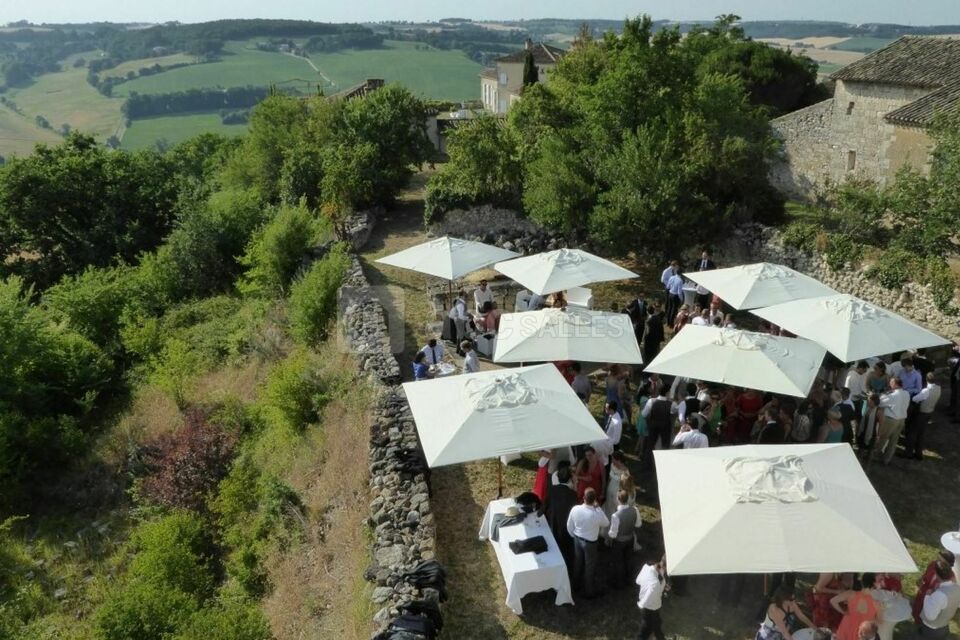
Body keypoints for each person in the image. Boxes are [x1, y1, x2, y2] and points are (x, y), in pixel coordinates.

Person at [566, 488, 608, 597]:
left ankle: (575, 585)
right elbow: (606, 523)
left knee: (578, 562)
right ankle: (589, 591)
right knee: (589, 567)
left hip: (577, 539)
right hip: (590, 543)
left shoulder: (575, 509)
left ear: (584, 498)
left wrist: (574, 536)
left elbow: (569, 525)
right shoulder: (597, 514)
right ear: (595, 500)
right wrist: (598, 508)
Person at [606, 489, 642, 588]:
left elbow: (613, 534)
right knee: (628, 559)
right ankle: (629, 579)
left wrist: (608, 534)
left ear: (618, 499)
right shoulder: (635, 510)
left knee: (619, 562)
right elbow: (638, 524)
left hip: (619, 542)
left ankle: (620, 583)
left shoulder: (616, 516)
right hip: (630, 538)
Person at [545, 465, 578, 567]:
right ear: (569, 479)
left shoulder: (552, 490)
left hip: (554, 522)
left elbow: (545, 504)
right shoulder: (572, 494)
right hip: (566, 525)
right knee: (567, 550)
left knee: (556, 546)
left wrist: (539, 513)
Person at [903, 372, 941, 461]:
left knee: (912, 433)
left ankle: (909, 453)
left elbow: (914, 399)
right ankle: (918, 453)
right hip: (929, 412)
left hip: (921, 413)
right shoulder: (938, 388)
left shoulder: (926, 391)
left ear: (926, 380)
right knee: (921, 433)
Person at [832, 573, 880, 640]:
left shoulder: (850, 593)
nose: (881, 583)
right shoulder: (876, 602)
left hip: (847, 627)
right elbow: (878, 621)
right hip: (863, 632)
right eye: (879, 581)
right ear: (874, 584)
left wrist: (844, 612)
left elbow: (833, 601)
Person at [913, 550, 956, 624]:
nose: (937, 561)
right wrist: (921, 579)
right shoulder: (933, 564)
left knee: (927, 611)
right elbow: (926, 574)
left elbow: (947, 590)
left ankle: (923, 624)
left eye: (940, 560)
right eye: (937, 558)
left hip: (934, 597)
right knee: (918, 607)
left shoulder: (950, 577)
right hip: (924, 591)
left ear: (947, 564)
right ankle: (916, 620)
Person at [918, 563, 960, 637]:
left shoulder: (939, 595)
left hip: (931, 629)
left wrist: (927, 595)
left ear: (937, 575)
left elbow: (930, 616)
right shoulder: (957, 588)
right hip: (944, 624)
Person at [875, 378, 910, 464]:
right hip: (901, 420)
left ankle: (875, 455)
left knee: (883, 438)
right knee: (893, 441)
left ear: (895, 384)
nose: (890, 384)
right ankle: (887, 460)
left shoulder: (893, 395)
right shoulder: (907, 393)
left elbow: (880, 403)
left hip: (891, 419)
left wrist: (883, 394)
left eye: (891, 383)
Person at [636, 555, 669, 640]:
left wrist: (663, 586)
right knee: (645, 630)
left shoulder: (647, 567)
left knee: (657, 623)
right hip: (650, 607)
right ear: (666, 566)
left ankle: (659, 637)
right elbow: (645, 602)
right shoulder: (655, 584)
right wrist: (641, 605)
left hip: (651, 604)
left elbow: (638, 580)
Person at [641, 387, 673, 466]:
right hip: (665, 426)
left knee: (650, 445)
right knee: (665, 446)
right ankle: (663, 464)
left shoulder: (651, 401)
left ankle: (647, 464)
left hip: (653, 425)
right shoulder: (671, 403)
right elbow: (674, 412)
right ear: (667, 393)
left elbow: (644, 414)